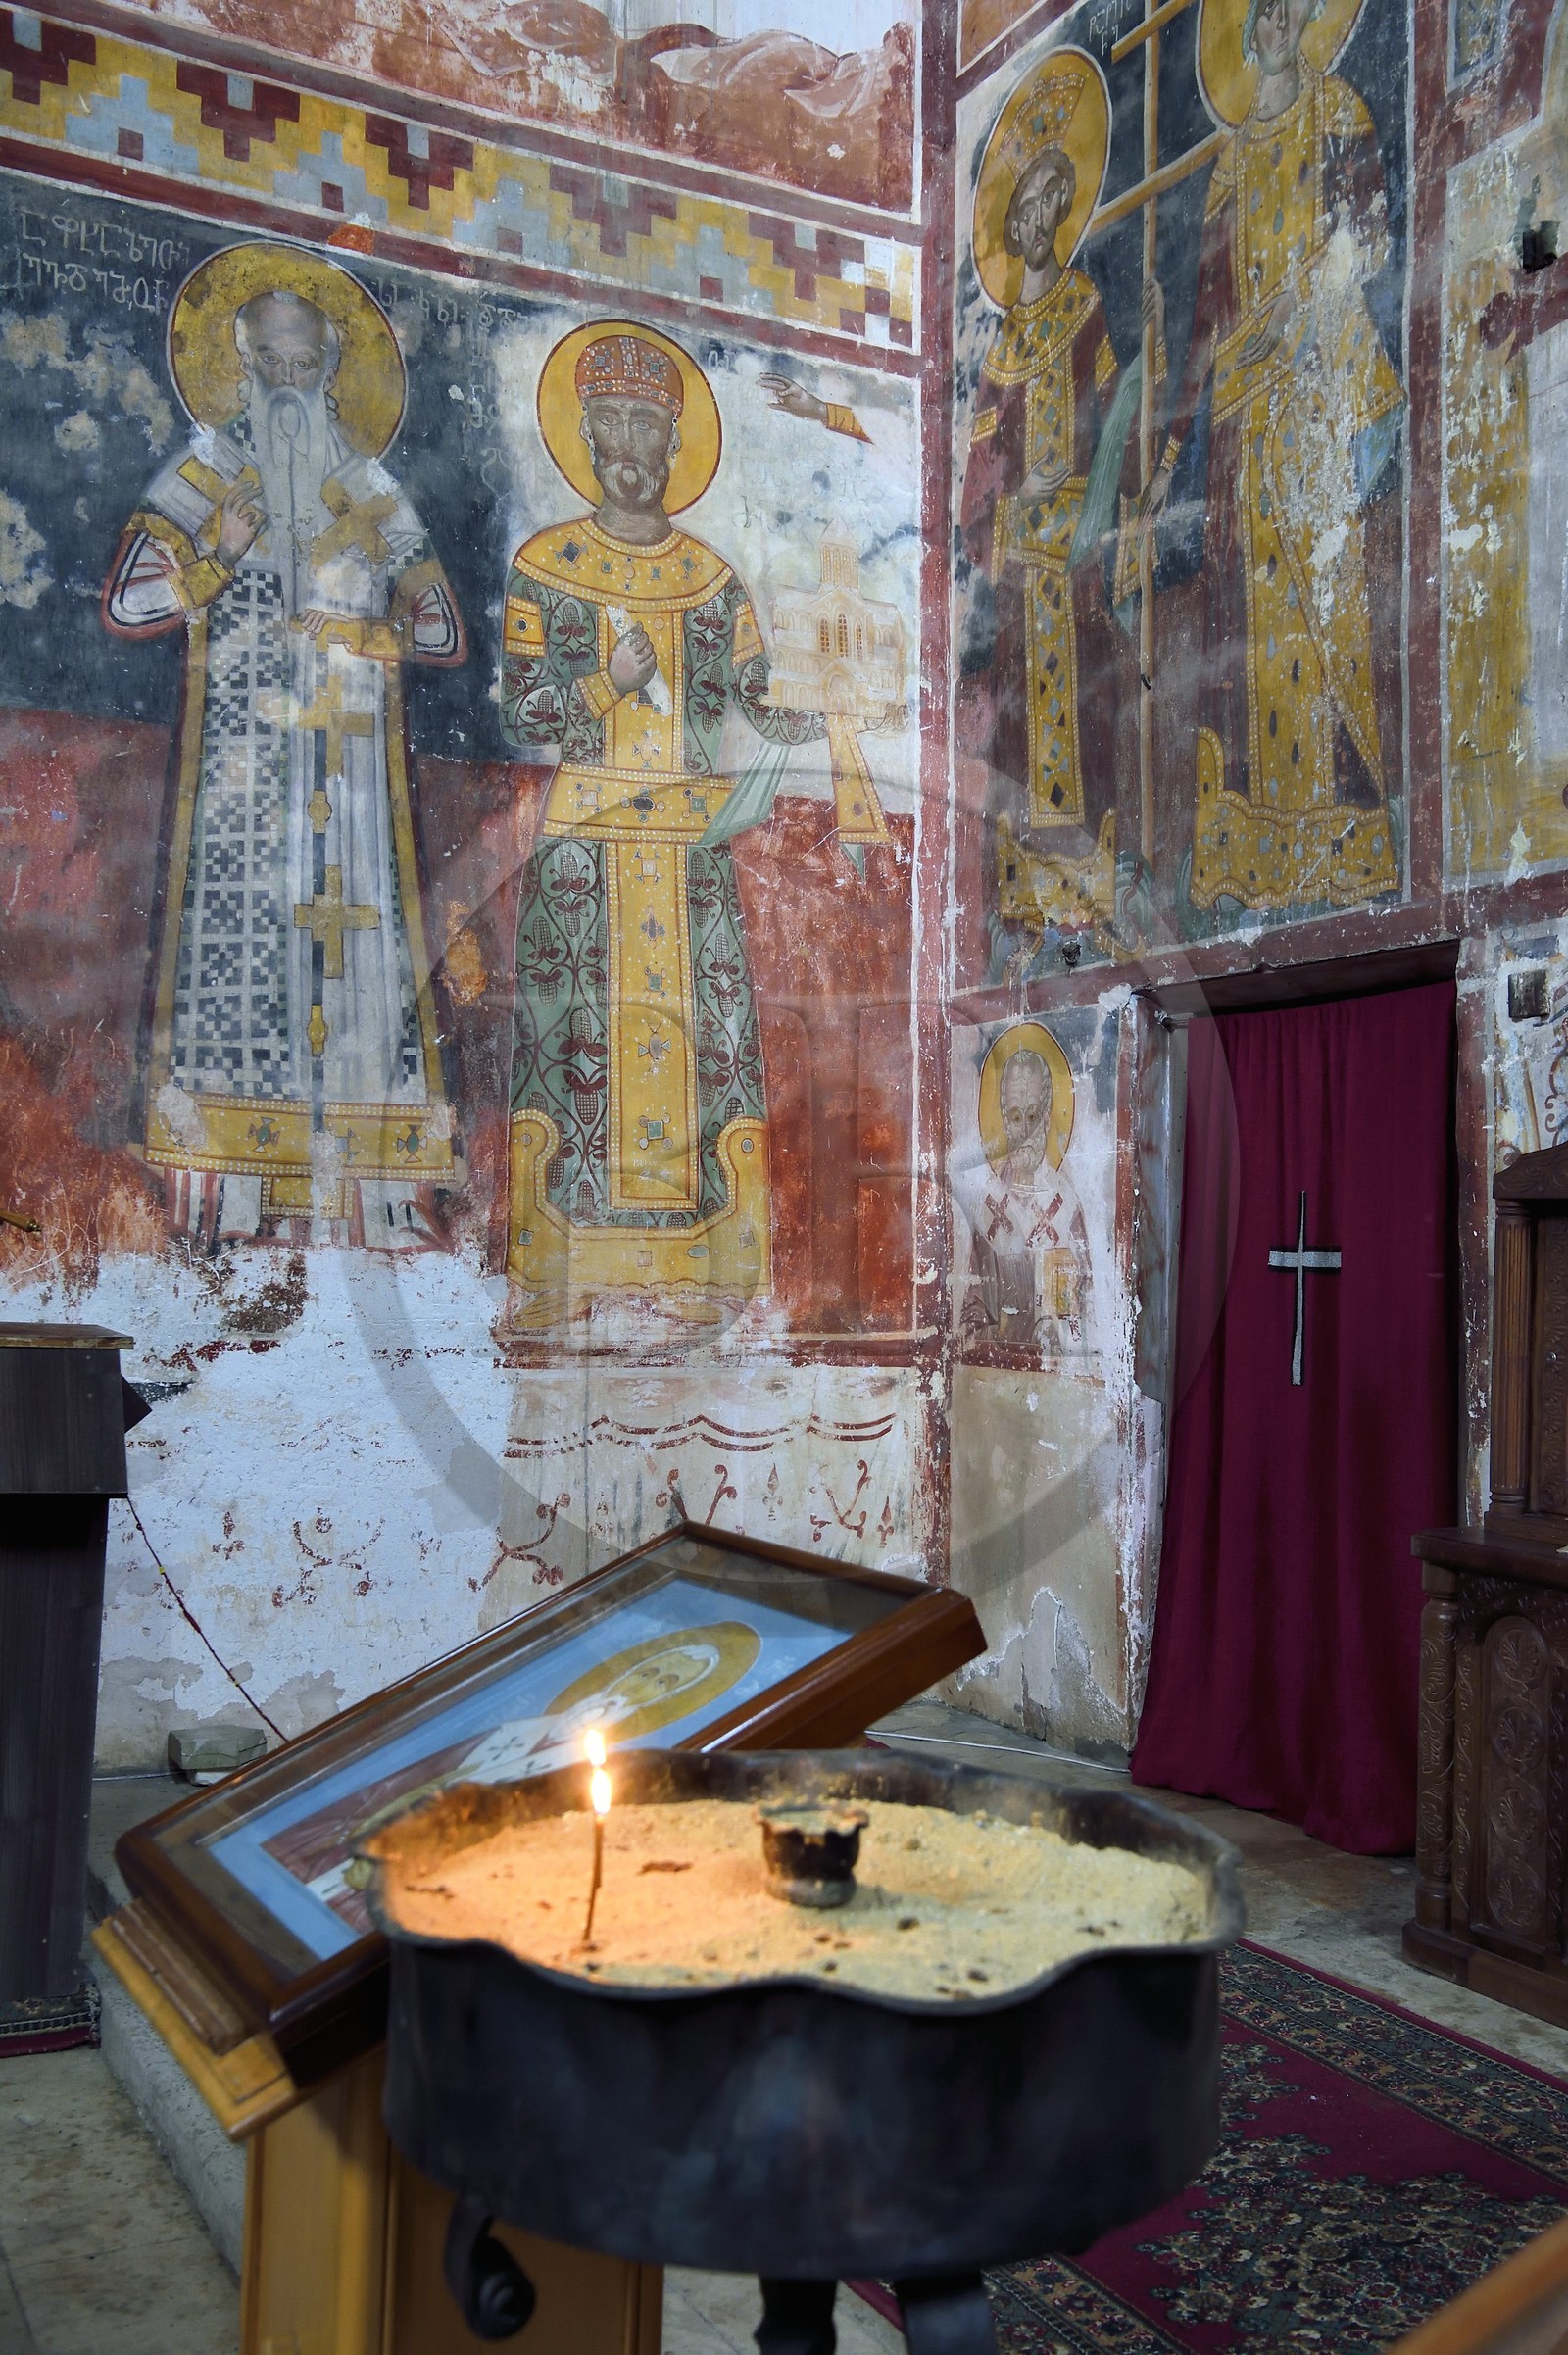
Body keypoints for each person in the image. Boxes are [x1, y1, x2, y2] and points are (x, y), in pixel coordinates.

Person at [499, 326, 877, 1334]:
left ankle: (707, 1266)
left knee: (706, 1050)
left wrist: (841, 714)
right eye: (611, 423)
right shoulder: (546, 567)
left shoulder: (710, 580)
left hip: (691, 855)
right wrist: (605, 681)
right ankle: (565, 1263)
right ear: (584, 436)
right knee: (577, 1047)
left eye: (647, 426)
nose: (629, 443)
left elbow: (756, 702)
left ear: (675, 445)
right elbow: (521, 710)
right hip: (583, 846)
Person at [104, 246, 466, 1246]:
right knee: (239, 969)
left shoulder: (367, 483)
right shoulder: (208, 467)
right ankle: (236, 1205)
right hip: (243, 772)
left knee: (364, 969)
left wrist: (366, 632)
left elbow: (438, 631)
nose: (290, 380)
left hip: (352, 781)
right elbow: (133, 598)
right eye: (273, 361)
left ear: (334, 364)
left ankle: (375, 1206)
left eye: (308, 364)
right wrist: (216, 555)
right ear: (243, 360)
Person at [1139, 0, 1402, 914]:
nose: (1283, 17)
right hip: (1246, 435)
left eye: (1296, 3)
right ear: (1250, 31)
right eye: (1267, 7)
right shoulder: (1231, 165)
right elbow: (1209, 328)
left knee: (1324, 623)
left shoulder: (1344, 117)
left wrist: (1303, 296)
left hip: (1321, 403)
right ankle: (1252, 858)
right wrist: (1174, 456)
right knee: (1244, 643)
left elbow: (1370, 239)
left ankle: (1344, 839)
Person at [958, 52, 1140, 946]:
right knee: (1028, 723)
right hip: (1024, 560)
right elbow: (976, 483)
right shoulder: (998, 350)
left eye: (1047, 205)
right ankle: (1032, 893)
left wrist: (1122, 488)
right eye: (1021, 207)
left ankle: (1098, 874)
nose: (1034, 220)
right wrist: (1003, 497)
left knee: (1094, 703)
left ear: (1062, 216)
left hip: (1078, 549)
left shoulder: (1084, 307)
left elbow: (1116, 419)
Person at [959, 1045, 1092, 1354]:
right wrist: (987, 1333)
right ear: (1005, 1124)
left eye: (1033, 1115)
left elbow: (1084, 1308)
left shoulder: (1065, 1205)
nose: (1025, 1131)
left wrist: (1055, 1331)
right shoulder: (987, 1207)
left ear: (1046, 1121)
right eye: (1017, 1118)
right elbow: (973, 1303)